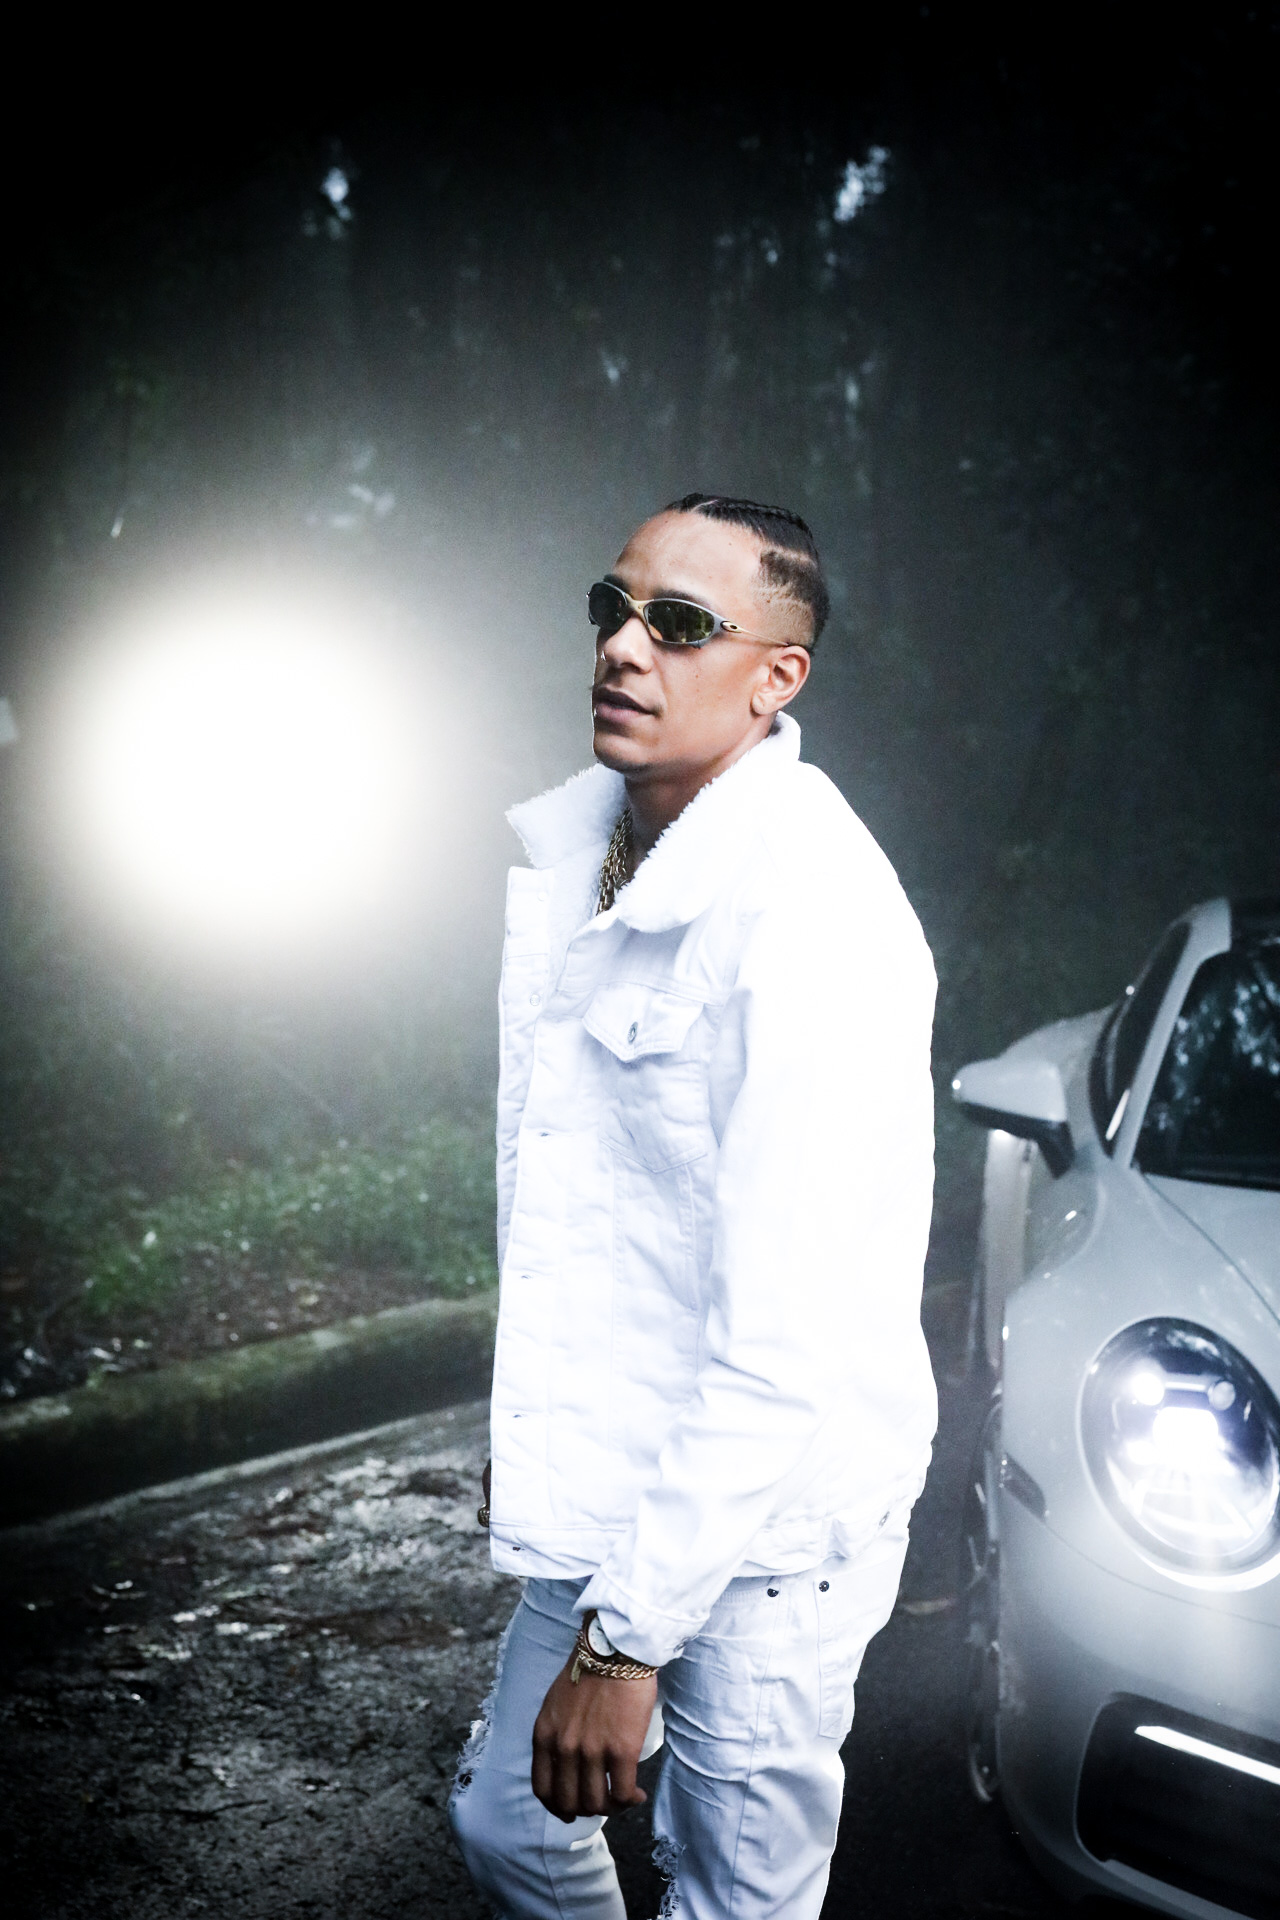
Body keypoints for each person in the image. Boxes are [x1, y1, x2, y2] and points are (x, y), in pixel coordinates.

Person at [449, 493, 937, 1919]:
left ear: (777, 676)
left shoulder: (812, 918)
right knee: (509, 1821)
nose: (623, 647)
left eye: (679, 625)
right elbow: (601, 1219)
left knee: (733, 1901)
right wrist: (544, 1438)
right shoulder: (594, 852)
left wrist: (624, 1648)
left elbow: (783, 1346)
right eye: (613, 608)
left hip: (769, 1535)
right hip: (632, 1487)